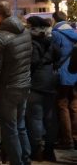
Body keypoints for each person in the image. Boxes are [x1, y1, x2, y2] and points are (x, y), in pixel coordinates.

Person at [0, 0, 32, 165]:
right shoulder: (24, 31)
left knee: (10, 129)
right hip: (24, 85)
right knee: (20, 126)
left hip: (8, 90)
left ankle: (17, 162)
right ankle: (26, 159)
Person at [26, 15, 60, 161]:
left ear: (32, 27)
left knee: (35, 118)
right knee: (50, 117)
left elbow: (32, 61)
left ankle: (37, 150)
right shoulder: (51, 38)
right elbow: (58, 54)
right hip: (50, 80)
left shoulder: (33, 41)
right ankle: (50, 150)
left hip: (37, 82)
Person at [51, 11, 77, 148]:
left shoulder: (56, 34)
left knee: (63, 105)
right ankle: (75, 136)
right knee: (74, 105)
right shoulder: (75, 33)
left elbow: (54, 55)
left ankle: (67, 140)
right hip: (75, 74)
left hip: (63, 75)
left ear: (54, 20)